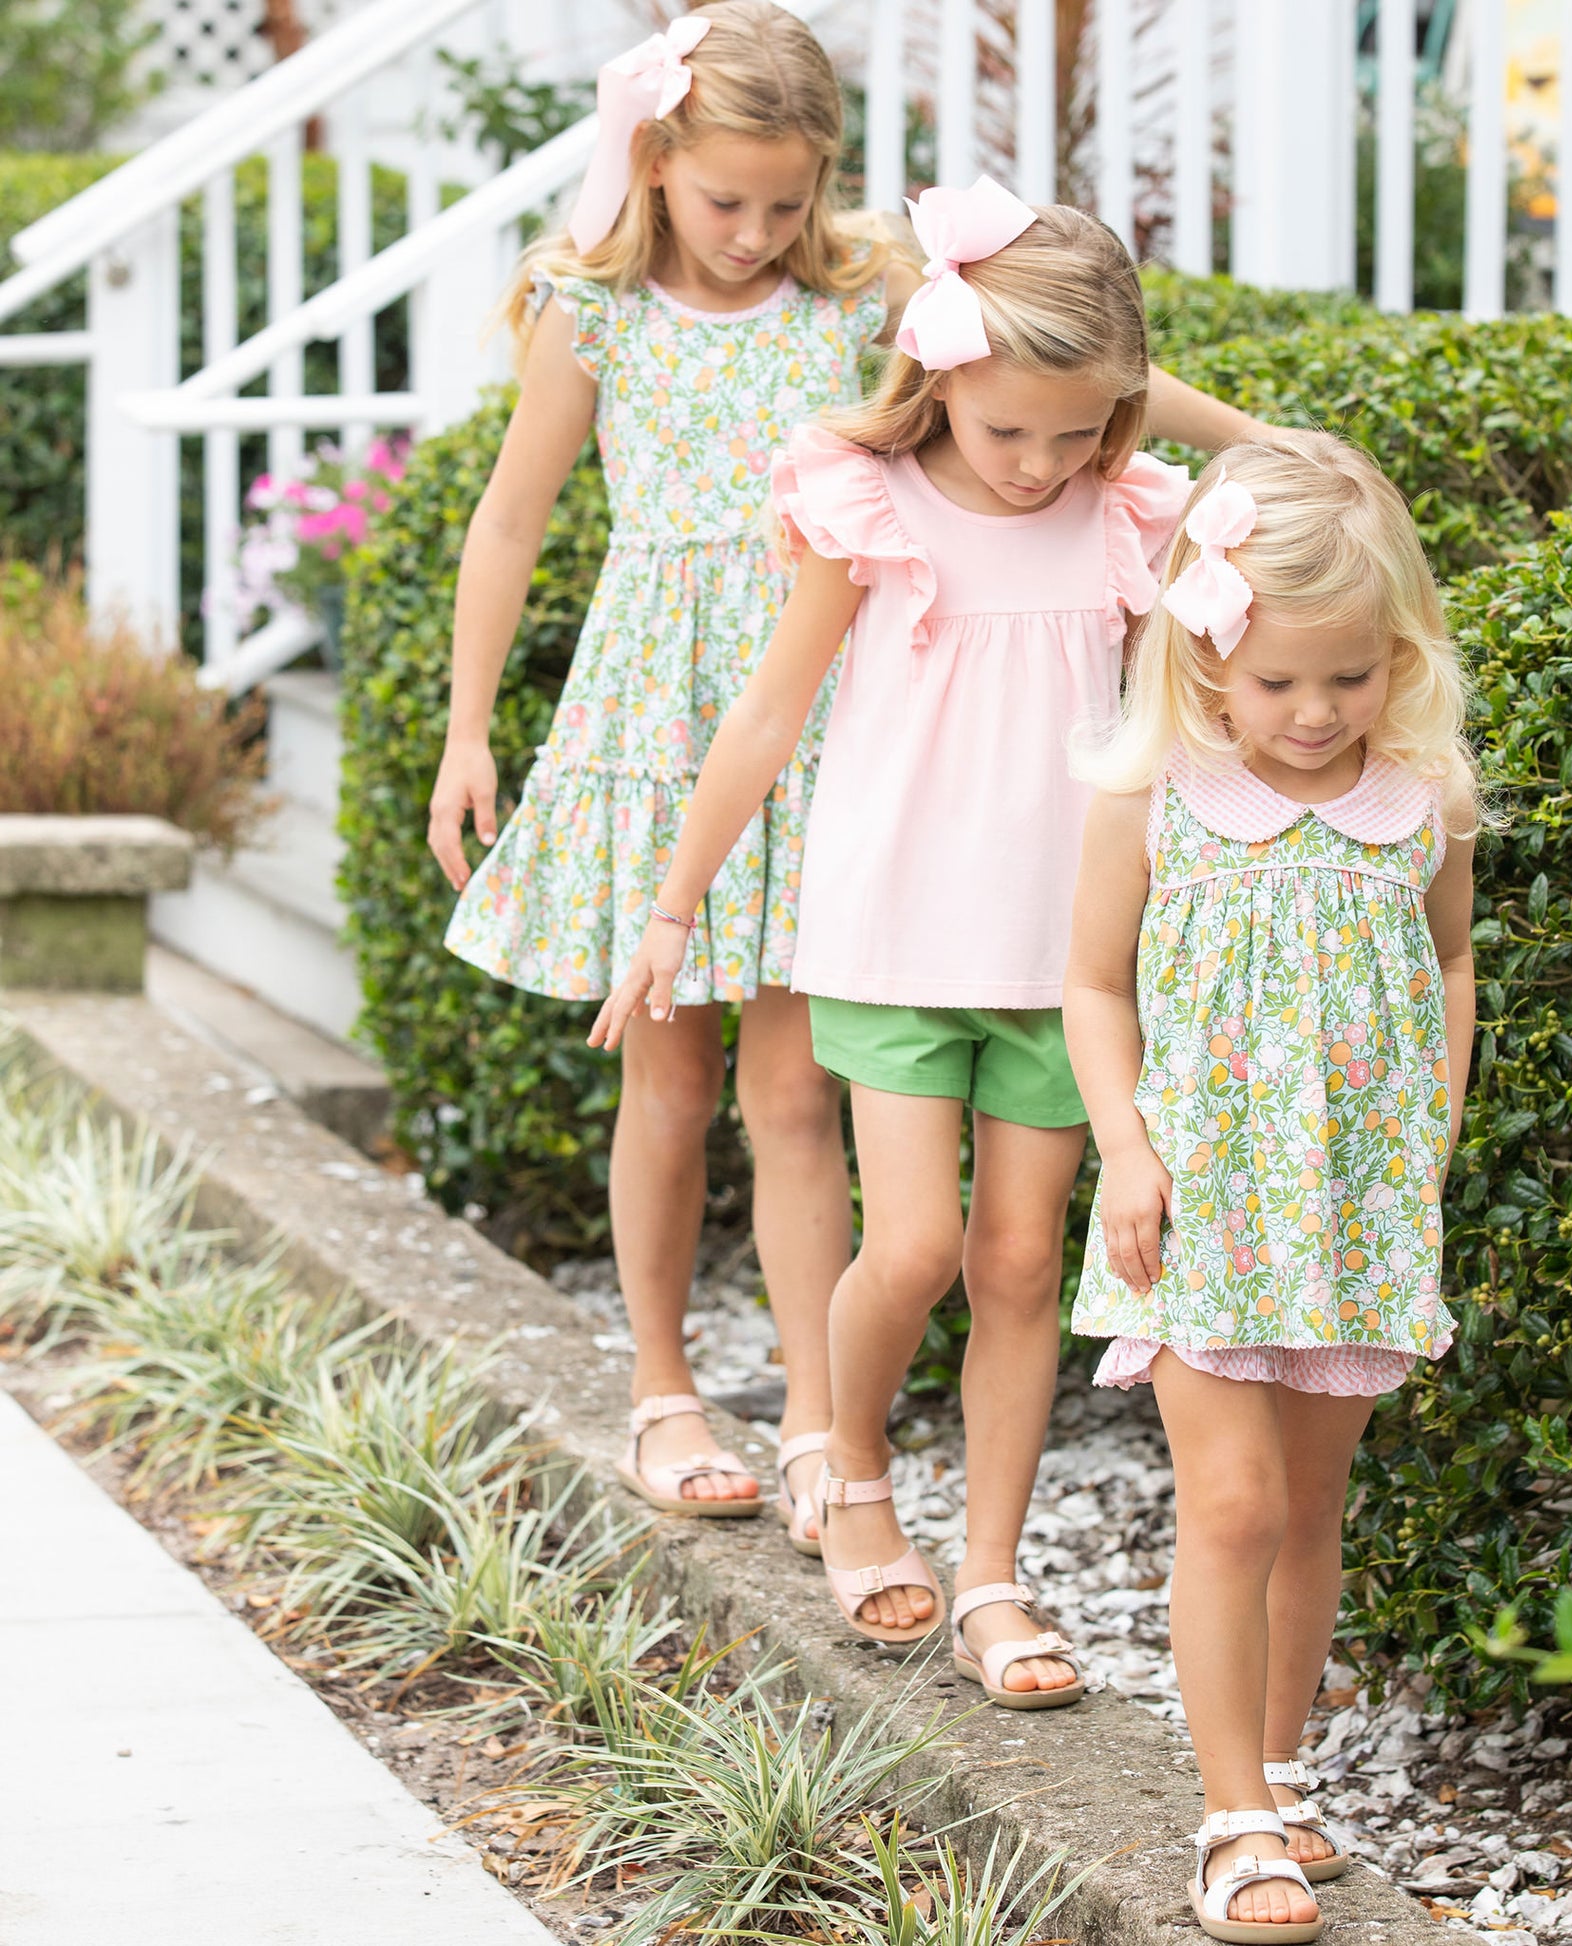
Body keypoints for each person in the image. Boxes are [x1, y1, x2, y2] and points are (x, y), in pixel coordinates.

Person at [429, 6, 1271, 1545]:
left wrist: (1274, 445)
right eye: (723, 199)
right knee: (670, 1071)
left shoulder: (877, 293)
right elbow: (507, 516)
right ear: (657, 160)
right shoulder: (589, 308)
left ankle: (821, 1420)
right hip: (676, 708)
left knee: (798, 1081)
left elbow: (1095, 390)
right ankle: (668, 1384)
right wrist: (470, 723)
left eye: (786, 200)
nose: (755, 232)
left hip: (862, 715)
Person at [593, 177, 1197, 1705]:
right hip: (888, 934)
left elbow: (1168, 740)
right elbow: (767, 711)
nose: (1041, 463)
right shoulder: (869, 502)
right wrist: (674, 905)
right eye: (1009, 432)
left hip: (1064, 969)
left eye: (1077, 432)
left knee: (1016, 1266)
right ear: (935, 382)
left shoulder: (1126, 518)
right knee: (916, 1243)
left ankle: (992, 1571)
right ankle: (845, 1460)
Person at [1062, 435, 1483, 1940]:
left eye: (1349, 679)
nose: (1314, 715)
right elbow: (1092, 987)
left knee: (1312, 1502)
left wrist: (1425, 1132)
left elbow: (1445, 962)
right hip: (1201, 1207)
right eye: (1279, 681)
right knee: (1230, 1501)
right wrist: (1124, 1143)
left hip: (1354, 1211)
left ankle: (1289, 1766)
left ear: (1395, 660)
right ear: (1206, 659)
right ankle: (1230, 1810)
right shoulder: (1156, 798)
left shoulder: (1420, 802)